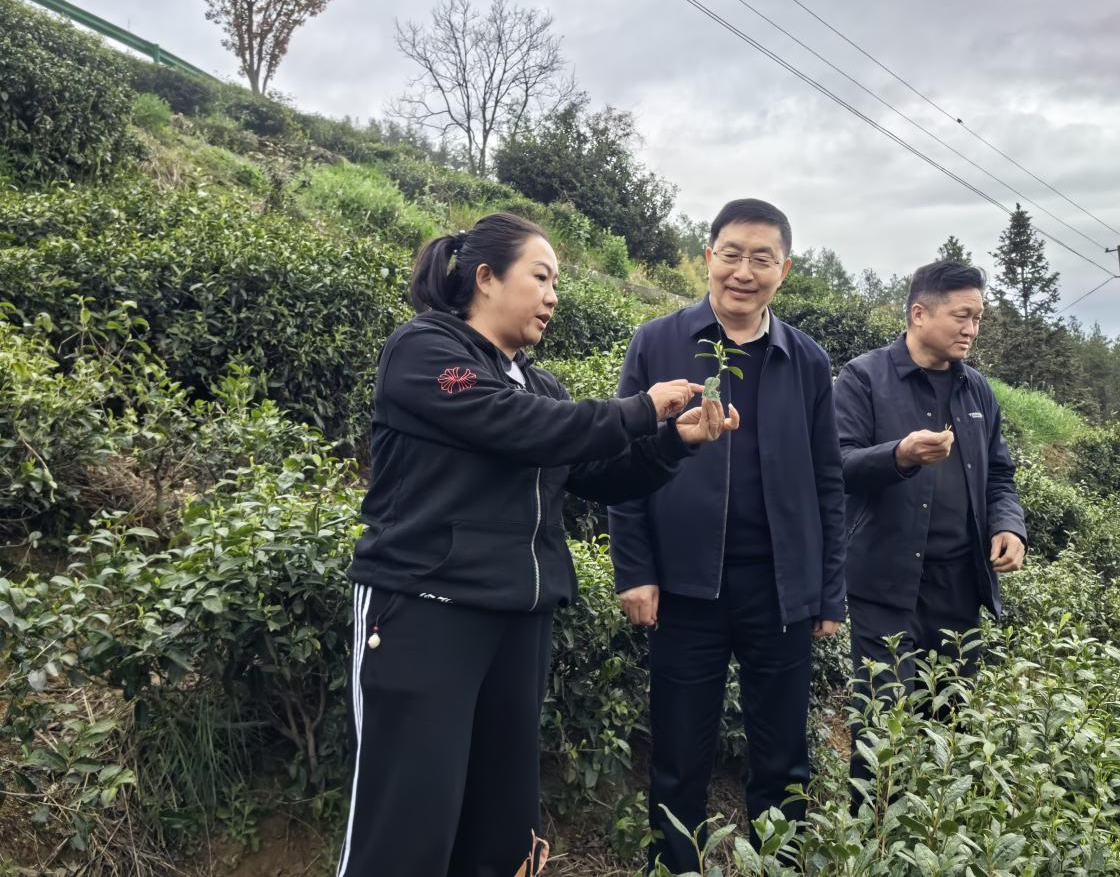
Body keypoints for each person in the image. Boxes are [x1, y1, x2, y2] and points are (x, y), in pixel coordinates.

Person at [338, 213, 737, 877]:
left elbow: (598, 473)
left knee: (501, 828)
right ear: (486, 278)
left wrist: (674, 443)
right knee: (407, 823)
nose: (553, 297)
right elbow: (519, 426)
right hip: (424, 608)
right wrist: (641, 409)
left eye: (557, 284)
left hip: (518, 620)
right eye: (541, 278)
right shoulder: (425, 350)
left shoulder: (539, 383)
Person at [608, 198, 847, 873]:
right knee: (680, 753)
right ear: (708, 256)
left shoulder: (806, 360)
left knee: (782, 756)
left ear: (783, 270)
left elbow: (828, 479)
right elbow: (623, 465)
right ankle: (675, 867)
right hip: (686, 586)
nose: (744, 271)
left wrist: (829, 590)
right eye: (732, 254)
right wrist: (635, 570)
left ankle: (778, 865)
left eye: (761, 259)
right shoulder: (657, 343)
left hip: (780, 589)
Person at [832, 260, 1026, 803]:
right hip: (885, 585)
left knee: (947, 727)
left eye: (978, 318)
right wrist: (899, 455)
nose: (972, 329)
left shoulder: (977, 390)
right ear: (919, 314)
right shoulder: (864, 378)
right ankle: (873, 833)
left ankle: (933, 833)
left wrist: (1009, 525)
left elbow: (1000, 474)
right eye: (962, 316)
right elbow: (837, 465)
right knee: (881, 726)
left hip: (959, 586)